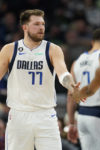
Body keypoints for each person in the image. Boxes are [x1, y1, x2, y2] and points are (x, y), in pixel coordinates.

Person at [0, 9, 78, 150]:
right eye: (36, 24)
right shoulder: (10, 50)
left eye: (42, 24)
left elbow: (63, 73)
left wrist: (71, 85)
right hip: (19, 115)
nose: (41, 27)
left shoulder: (53, 49)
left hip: (45, 115)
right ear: (25, 27)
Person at [67, 28, 100, 150]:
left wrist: (71, 123)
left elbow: (70, 94)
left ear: (92, 42)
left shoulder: (76, 62)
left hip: (82, 116)